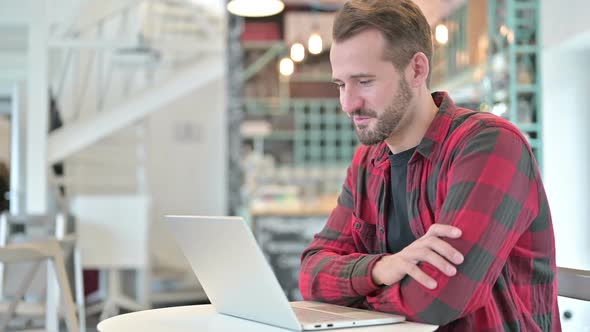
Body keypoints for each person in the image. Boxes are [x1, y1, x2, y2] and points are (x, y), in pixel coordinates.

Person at [298, 0, 560, 330]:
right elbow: (311, 273)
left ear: (417, 70)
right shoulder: (368, 161)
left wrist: (355, 292)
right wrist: (382, 268)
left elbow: (440, 299)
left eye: (364, 81)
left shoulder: (490, 145)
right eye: (341, 85)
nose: (348, 104)